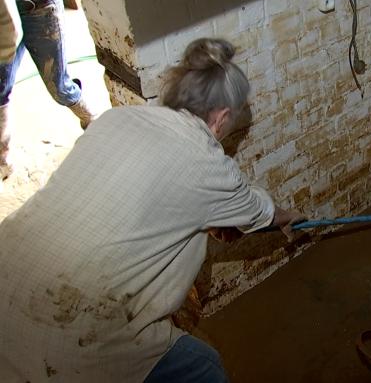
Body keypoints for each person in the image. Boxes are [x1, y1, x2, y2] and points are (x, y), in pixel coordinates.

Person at [0, 37, 304, 382]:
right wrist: (286, 216)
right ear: (220, 117)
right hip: (69, 324)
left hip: (6, 270)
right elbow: (257, 211)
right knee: (204, 370)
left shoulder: (114, 120)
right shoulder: (206, 162)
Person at [0, 0, 99, 181]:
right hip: (9, 0)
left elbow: (8, 34)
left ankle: (92, 119)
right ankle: (4, 163)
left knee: (57, 85)